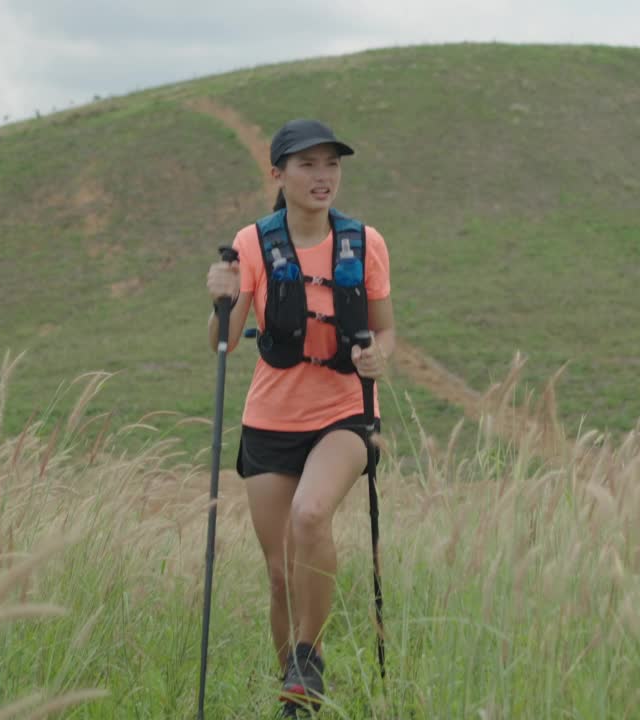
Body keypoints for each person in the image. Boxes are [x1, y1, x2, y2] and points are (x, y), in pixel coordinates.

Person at [205, 118, 394, 711]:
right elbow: (224, 342)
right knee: (282, 572)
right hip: (270, 420)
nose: (323, 176)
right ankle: (294, 695)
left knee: (311, 517)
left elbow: (386, 332)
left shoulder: (364, 242)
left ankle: (308, 660)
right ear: (278, 174)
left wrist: (376, 359)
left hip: (345, 412)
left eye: (331, 164)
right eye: (308, 165)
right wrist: (222, 297)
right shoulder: (253, 244)